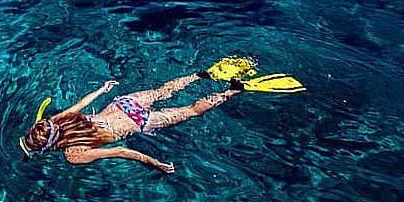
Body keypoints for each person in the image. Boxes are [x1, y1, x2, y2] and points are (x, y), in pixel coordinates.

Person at [18, 70, 246, 173]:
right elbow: (81, 104)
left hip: (138, 121)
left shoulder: (73, 155)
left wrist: (156, 164)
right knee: (162, 91)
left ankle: (233, 91)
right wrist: (102, 89)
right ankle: (198, 76)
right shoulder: (57, 119)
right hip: (123, 103)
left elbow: (121, 151)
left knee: (193, 110)